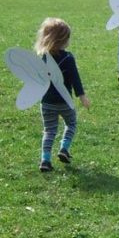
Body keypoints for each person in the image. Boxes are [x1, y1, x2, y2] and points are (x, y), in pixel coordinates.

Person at [32, 18, 91, 172]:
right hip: (64, 101)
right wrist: (82, 96)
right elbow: (75, 79)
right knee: (71, 123)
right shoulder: (68, 58)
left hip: (46, 102)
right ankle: (64, 148)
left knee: (49, 130)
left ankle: (45, 160)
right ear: (64, 40)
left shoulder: (42, 58)